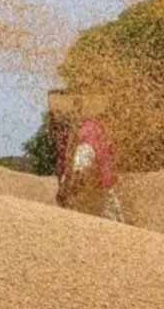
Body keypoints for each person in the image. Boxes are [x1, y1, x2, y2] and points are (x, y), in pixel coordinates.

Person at [49, 92, 125, 222]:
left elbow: (80, 167)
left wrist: (68, 188)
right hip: (101, 184)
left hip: (98, 187)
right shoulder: (94, 129)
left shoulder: (87, 131)